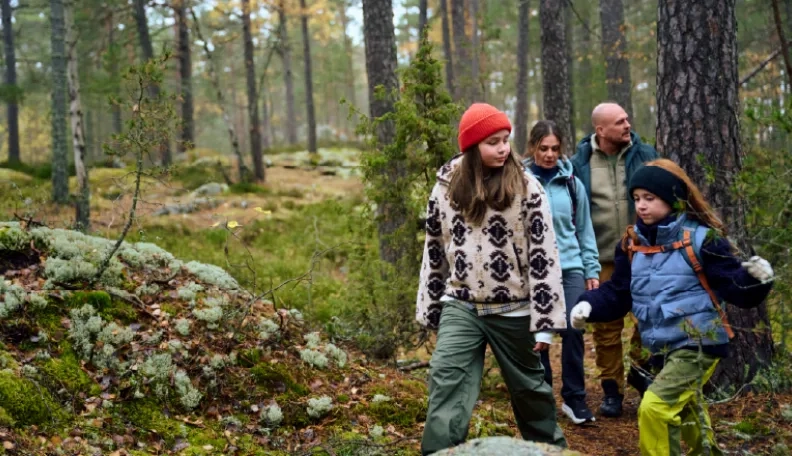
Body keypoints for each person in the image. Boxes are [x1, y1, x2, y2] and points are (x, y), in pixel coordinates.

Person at [568, 159, 775, 455]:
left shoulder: (702, 240)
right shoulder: (630, 244)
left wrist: (757, 280)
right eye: (637, 198)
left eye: (650, 198)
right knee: (687, 409)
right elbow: (617, 293)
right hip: (662, 346)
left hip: (699, 342)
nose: (641, 205)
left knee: (654, 409)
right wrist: (587, 305)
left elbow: (733, 286)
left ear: (673, 200)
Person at [416, 103, 568, 454]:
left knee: (531, 391)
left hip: (514, 308)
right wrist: (432, 308)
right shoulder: (445, 186)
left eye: (505, 140)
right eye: (492, 142)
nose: (502, 148)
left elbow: (544, 256)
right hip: (462, 305)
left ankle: (551, 451)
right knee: (446, 379)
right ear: (472, 147)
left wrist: (545, 322)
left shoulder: (527, 187)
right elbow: (435, 250)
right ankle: (439, 452)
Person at [571, 102, 658, 417]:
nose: (627, 125)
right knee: (606, 327)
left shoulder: (646, 155)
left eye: (627, 119)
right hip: (603, 257)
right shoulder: (579, 164)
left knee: (647, 319)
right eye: (620, 121)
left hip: (645, 254)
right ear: (601, 130)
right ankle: (612, 390)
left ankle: (641, 372)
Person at [522, 120, 599, 425]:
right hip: (535, 270)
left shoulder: (571, 183)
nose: (550, 154)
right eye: (544, 148)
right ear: (533, 148)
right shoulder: (521, 182)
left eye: (555, 148)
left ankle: (574, 399)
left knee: (573, 329)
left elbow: (584, 229)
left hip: (571, 267)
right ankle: (542, 400)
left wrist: (591, 268)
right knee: (537, 334)